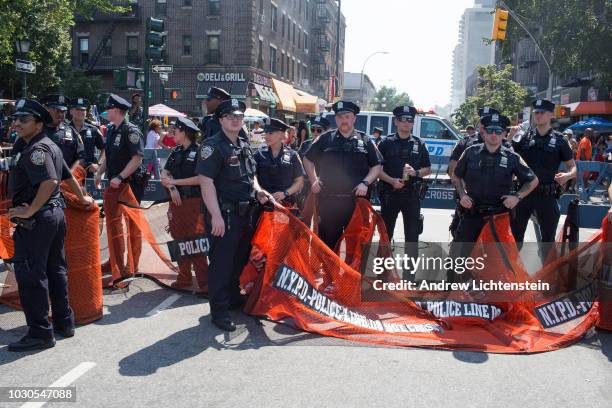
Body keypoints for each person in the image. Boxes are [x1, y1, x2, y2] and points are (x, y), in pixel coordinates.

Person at [7, 99, 93, 352]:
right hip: (53, 216)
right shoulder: (47, 145)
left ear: (39, 123)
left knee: (31, 273)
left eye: (24, 120)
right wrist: (81, 197)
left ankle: (40, 333)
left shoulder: (37, 150)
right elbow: (67, 175)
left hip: (37, 218)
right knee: (56, 270)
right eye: (16, 119)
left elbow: (50, 182)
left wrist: (30, 209)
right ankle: (64, 322)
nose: (17, 123)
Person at [196, 98, 271, 331]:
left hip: (246, 212)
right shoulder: (212, 146)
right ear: (220, 120)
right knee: (221, 264)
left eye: (239, 117)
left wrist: (258, 191)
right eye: (230, 117)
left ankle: (231, 297)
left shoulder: (243, 143)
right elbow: (205, 182)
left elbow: (251, 176)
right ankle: (219, 311)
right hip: (224, 215)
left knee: (239, 259)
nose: (236, 120)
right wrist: (215, 216)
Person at [303, 100, 383, 249]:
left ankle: (353, 273)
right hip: (329, 202)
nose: (343, 120)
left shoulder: (365, 140)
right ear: (336, 119)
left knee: (356, 246)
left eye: (347, 116)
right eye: (340, 117)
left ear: (354, 119)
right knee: (327, 245)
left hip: (357, 203)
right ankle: (329, 273)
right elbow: (307, 159)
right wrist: (314, 180)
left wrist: (365, 182)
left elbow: (377, 166)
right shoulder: (325, 139)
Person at [452, 113, 538, 249]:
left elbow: (533, 181)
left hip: (498, 218)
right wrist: (462, 195)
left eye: (498, 131)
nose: (494, 134)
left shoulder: (512, 157)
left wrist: (517, 197)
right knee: (457, 263)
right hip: (471, 215)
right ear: (483, 132)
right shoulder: (470, 152)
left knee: (496, 265)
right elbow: (456, 176)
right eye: (490, 130)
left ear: (504, 134)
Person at [511, 99, 576, 245]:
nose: (538, 115)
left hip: (546, 196)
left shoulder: (560, 140)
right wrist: (510, 137)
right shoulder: (523, 137)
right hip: (523, 194)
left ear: (551, 115)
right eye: (536, 112)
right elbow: (506, 156)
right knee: (515, 240)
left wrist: (567, 175)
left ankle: (547, 268)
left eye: (541, 112)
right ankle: (512, 268)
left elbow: (573, 167)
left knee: (547, 242)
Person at [94, 94, 144, 278]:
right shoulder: (112, 129)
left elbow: (137, 158)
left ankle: (132, 266)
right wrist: (100, 172)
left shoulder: (130, 130)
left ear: (116, 110)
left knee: (133, 228)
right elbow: (109, 154)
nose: (106, 112)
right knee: (113, 225)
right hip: (115, 184)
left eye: (108, 109)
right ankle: (116, 263)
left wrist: (121, 176)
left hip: (129, 184)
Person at [377, 106, 431, 262]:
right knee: (386, 236)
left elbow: (428, 168)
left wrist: (416, 173)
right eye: (403, 119)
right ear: (396, 122)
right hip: (389, 194)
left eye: (410, 120)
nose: (406, 123)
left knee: (412, 237)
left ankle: (410, 276)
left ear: (413, 123)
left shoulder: (419, 143)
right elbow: (376, 169)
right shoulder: (385, 143)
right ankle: (383, 274)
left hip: (411, 196)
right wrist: (391, 181)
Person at [160, 117, 208, 292]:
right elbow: (164, 173)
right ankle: (184, 278)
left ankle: (204, 283)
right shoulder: (176, 151)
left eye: (176, 131)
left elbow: (200, 178)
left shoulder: (200, 151)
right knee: (179, 238)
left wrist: (176, 182)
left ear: (185, 133)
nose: (173, 134)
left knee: (196, 242)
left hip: (194, 202)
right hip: (177, 202)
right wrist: (172, 187)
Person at [448, 107, 501, 238]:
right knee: (461, 242)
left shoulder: (504, 145)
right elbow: (452, 170)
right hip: (468, 202)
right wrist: (463, 190)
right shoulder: (466, 142)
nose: (485, 123)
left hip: (495, 206)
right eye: (483, 119)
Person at [255, 118, 305, 211]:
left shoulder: (293, 155)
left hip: (286, 205)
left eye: (270, 133)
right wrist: (260, 191)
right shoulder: (259, 154)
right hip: (263, 204)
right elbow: (253, 177)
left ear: (281, 134)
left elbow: (299, 181)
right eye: (265, 133)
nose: (266, 136)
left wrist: (285, 193)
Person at [40, 94, 85, 170]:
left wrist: (71, 174)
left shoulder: (71, 131)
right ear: (47, 110)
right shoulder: (35, 130)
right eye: (56, 111)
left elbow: (81, 157)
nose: (60, 114)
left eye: (63, 111)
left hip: (65, 180)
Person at [69, 97, 105, 177]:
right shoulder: (64, 129)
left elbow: (104, 148)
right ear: (71, 111)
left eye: (83, 110)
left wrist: (98, 164)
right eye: (77, 109)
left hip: (88, 172)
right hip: (68, 172)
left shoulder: (93, 130)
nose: (80, 112)